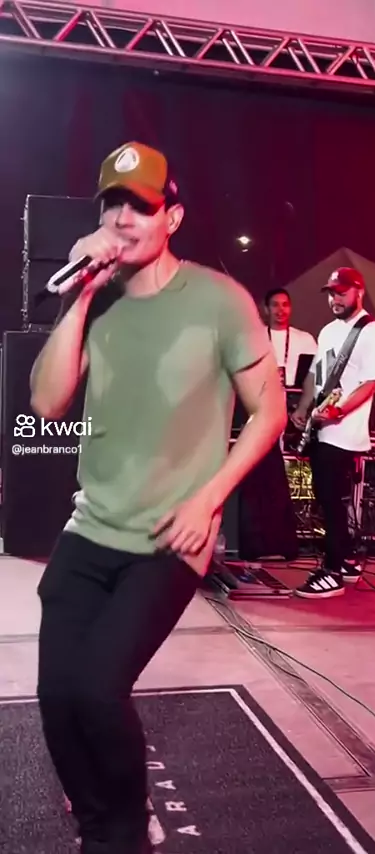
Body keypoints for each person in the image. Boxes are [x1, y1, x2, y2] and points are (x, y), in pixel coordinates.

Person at [30, 141, 286, 854]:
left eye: (139, 207)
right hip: (91, 526)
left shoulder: (218, 300)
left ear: (172, 217)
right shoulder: (98, 297)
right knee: (57, 699)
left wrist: (210, 499)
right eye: (111, 205)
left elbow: (269, 412)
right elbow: (47, 404)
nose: (122, 219)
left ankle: (124, 836)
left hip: (171, 537)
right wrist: (81, 296)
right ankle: (100, 825)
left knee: (96, 688)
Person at [291, 267, 375, 599]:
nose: (335, 299)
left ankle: (331, 571)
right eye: (332, 293)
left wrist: (339, 411)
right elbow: (317, 374)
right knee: (327, 499)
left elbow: (370, 384)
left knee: (331, 501)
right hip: (322, 427)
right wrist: (303, 407)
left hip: (343, 432)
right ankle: (345, 561)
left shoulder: (372, 334)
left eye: (341, 293)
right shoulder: (328, 331)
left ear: (359, 291)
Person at [263, 288, 317, 387]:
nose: (281, 309)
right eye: (275, 305)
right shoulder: (255, 338)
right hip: (264, 393)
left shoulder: (305, 339)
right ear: (266, 309)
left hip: (297, 393)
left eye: (285, 305)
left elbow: (317, 374)